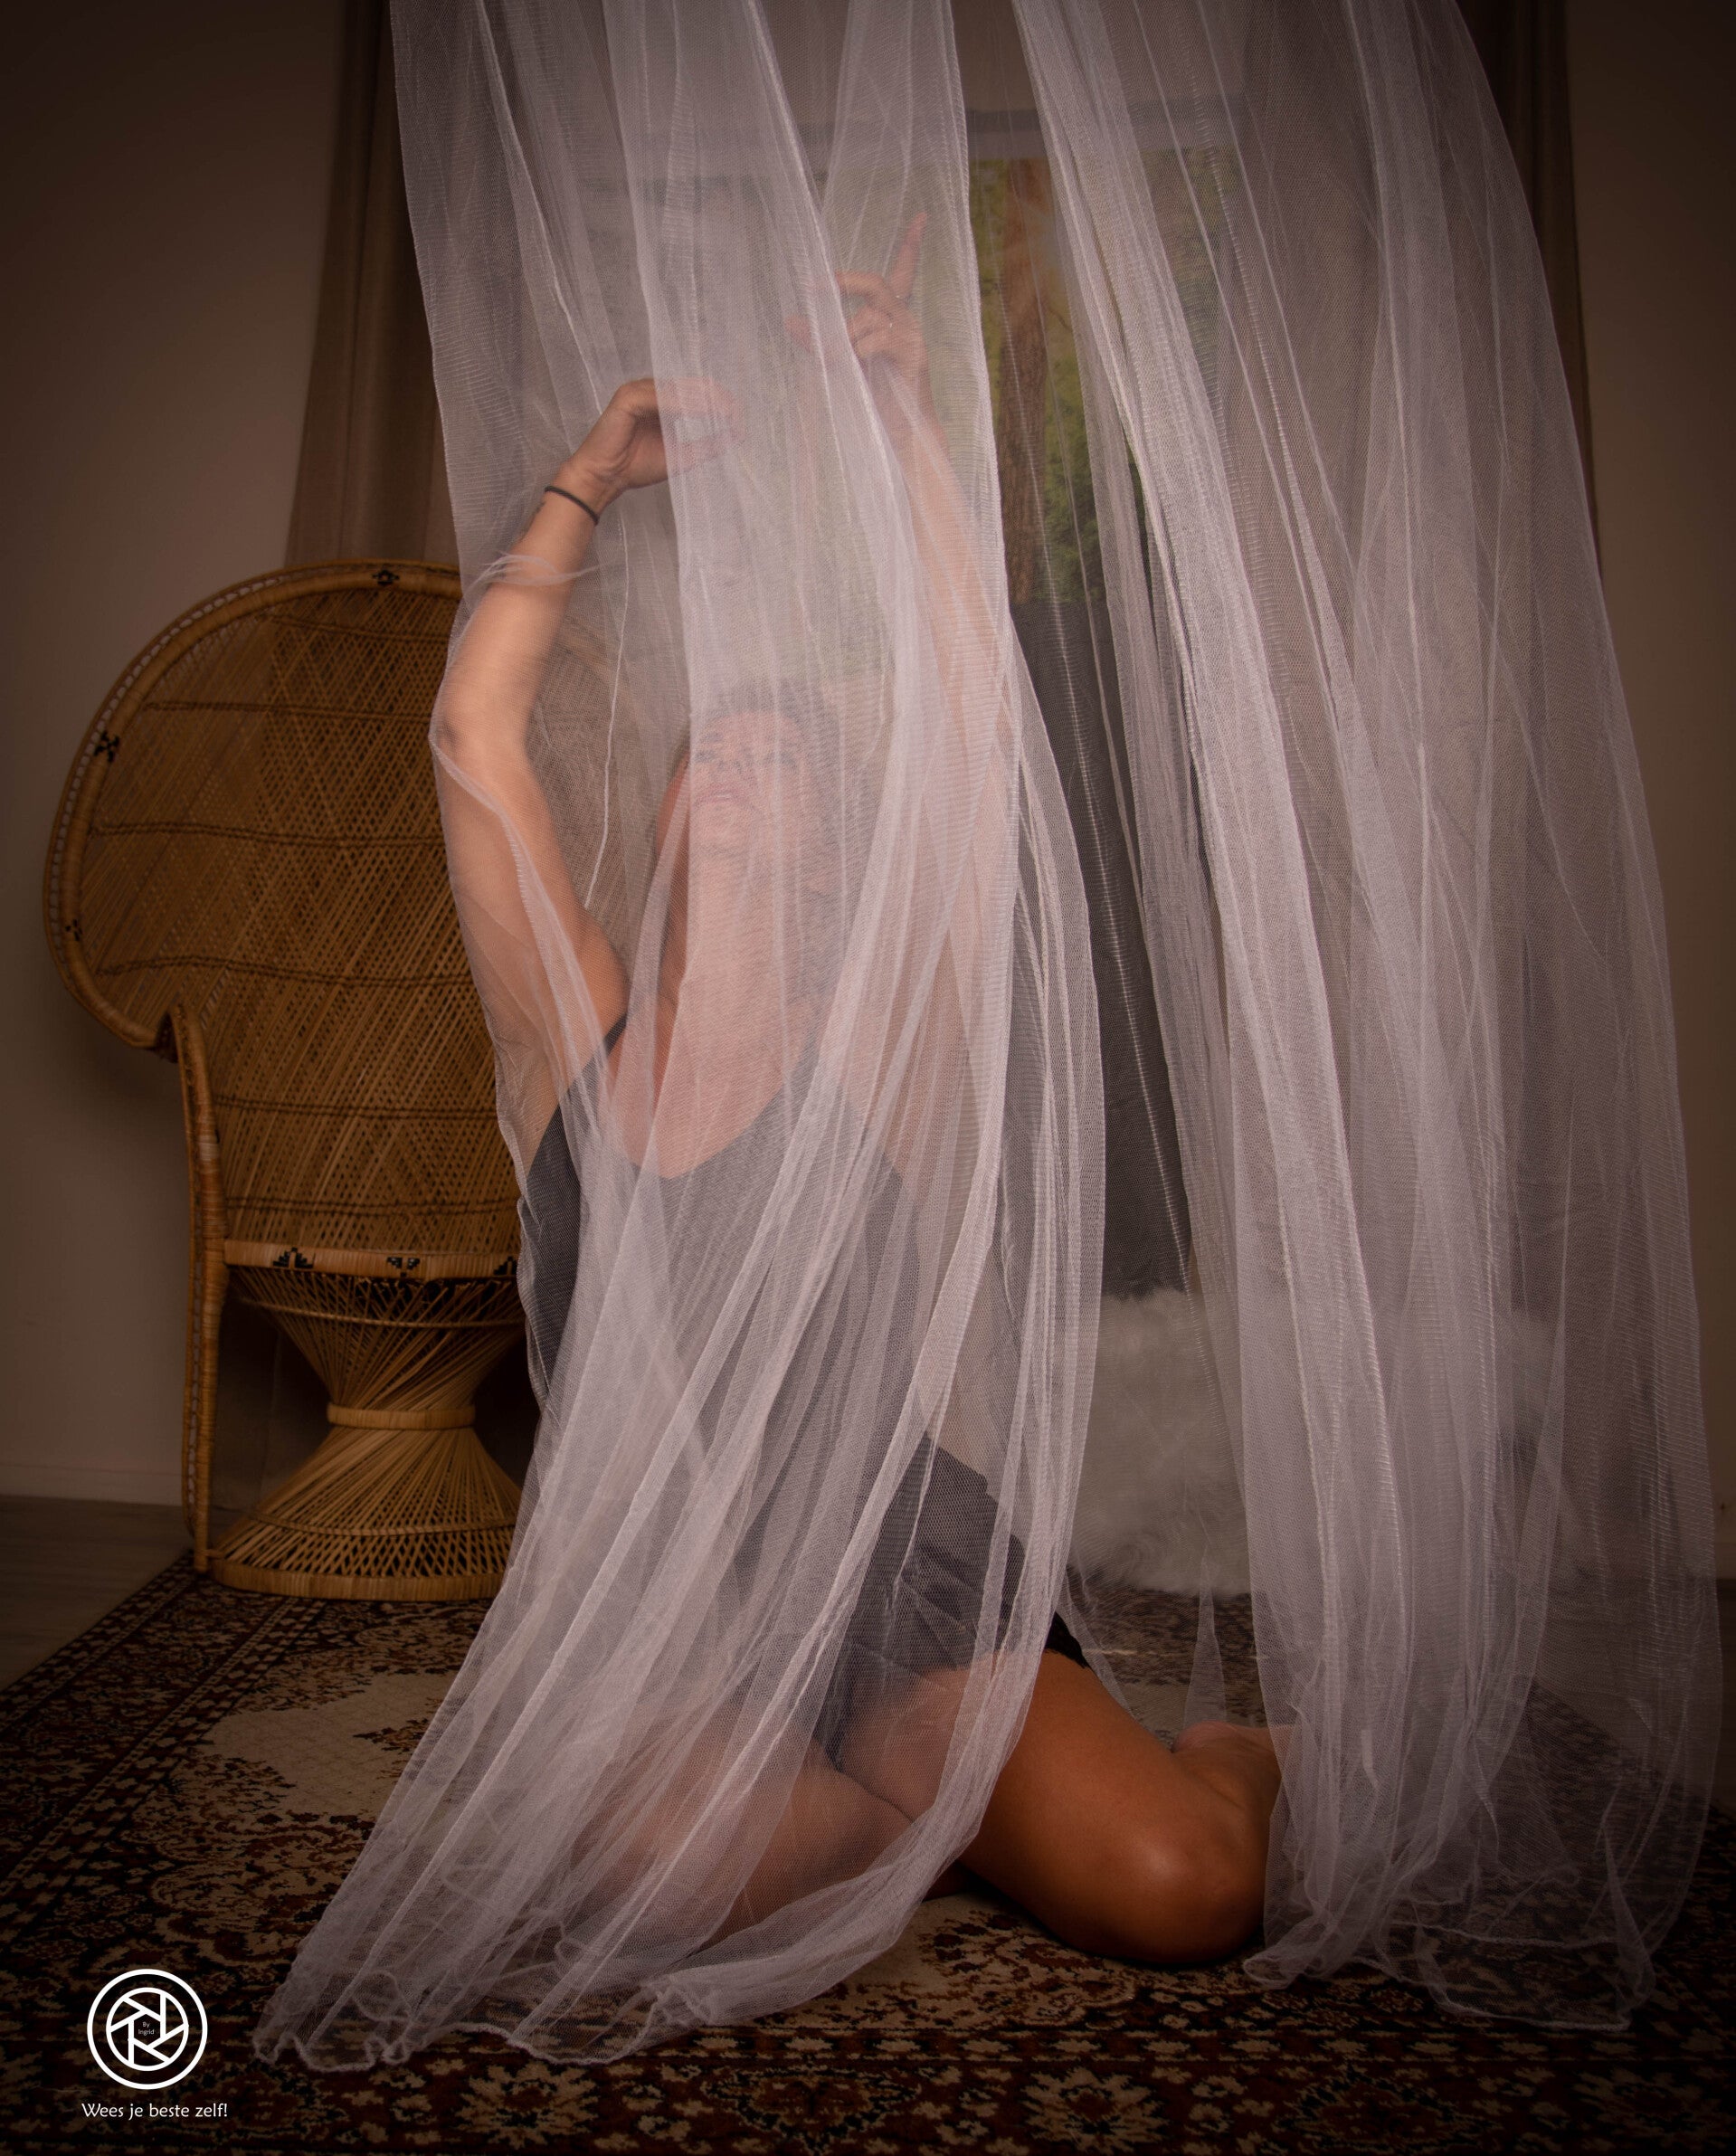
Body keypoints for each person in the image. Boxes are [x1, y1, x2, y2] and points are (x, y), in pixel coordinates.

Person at [432, 217, 1281, 1969]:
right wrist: (587, 482)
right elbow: (471, 738)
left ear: (836, 861)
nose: (743, 758)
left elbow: (974, 740)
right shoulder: (571, 1035)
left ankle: (1227, 1755)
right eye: (716, 751)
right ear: (670, 818)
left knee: (1188, 1889)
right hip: (677, 1605)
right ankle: (936, 1827)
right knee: (646, 1875)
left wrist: (904, 425)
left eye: (788, 757)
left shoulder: (877, 1039)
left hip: (898, 1583)